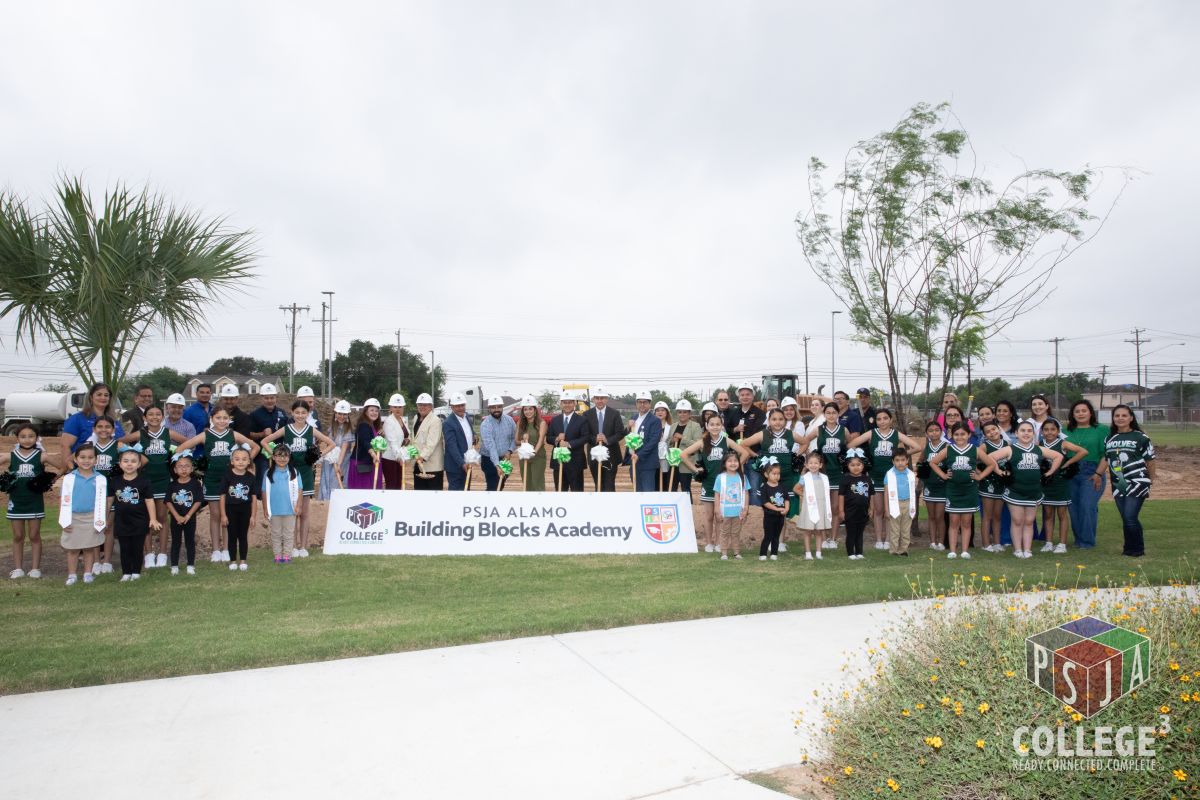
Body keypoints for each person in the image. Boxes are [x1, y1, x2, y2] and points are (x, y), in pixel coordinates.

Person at [176, 407, 259, 562]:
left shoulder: (233, 434)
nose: (222, 421)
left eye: (225, 418)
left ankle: (227, 549)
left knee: (227, 516)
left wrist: (246, 463)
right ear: (212, 419)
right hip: (212, 479)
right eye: (218, 418)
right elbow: (181, 449)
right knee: (215, 515)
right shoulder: (205, 435)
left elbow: (255, 446)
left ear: (229, 420)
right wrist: (194, 467)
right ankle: (215, 550)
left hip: (232, 480)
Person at [259, 402, 333, 557]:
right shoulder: (286, 429)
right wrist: (277, 455)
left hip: (305, 472)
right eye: (297, 412)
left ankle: (303, 547)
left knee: (304, 513)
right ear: (292, 413)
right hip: (289, 474)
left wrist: (318, 455)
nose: (300, 415)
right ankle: (291, 546)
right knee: (291, 512)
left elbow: (331, 443)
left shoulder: (311, 430)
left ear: (308, 413)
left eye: (303, 412)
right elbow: (264, 441)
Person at [982, 421, 1063, 559]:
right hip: (1015, 491)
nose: (1026, 433)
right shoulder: (1011, 449)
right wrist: (1001, 472)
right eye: (1023, 430)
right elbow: (989, 458)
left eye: (1029, 431)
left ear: (1033, 433)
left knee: (1029, 521)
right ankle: (1018, 549)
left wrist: (1048, 473)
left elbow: (1058, 456)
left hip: (1033, 491)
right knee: (1017, 520)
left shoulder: (1039, 449)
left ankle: (1028, 549)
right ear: (1016, 433)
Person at [119, 405, 187, 569]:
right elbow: (119, 442)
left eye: (158, 414)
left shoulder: (168, 433)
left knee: (163, 517)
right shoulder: (139, 434)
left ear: (162, 417)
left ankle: (163, 553)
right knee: (146, 519)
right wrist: (134, 454)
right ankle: (149, 554)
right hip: (144, 481)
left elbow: (187, 443)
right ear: (144, 417)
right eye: (151, 414)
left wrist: (176, 454)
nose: (154, 417)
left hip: (164, 479)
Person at [847, 409, 920, 552]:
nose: (882, 421)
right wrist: (862, 458)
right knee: (878, 510)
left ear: (890, 419)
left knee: (891, 509)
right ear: (876, 421)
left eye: (885, 418)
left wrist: (900, 457)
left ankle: (888, 540)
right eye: (879, 419)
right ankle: (879, 540)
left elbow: (917, 447)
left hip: (892, 478)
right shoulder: (871, 433)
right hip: (875, 476)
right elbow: (850, 445)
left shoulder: (896, 434)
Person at [680, 415, 750, 553]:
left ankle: (719, 543)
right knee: (709, 516)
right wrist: (696, 470)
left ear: (722, 426)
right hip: (708, 483)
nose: (715, 427)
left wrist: (734, 467)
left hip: (724, 486)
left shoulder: (726, 441)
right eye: (712, 424)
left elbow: (744, 453)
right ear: (707, 426)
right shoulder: (702, 442)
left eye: (718, 424)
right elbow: (683, 455)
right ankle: (709, 543)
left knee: (720, 516)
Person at [929, 422, 993, 560]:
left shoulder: (975, 450)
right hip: (953, 490)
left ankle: (964, 550)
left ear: (969, 435)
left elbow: (991, 464)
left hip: (969, 490)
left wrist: (979, 476)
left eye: (963, 434)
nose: (960, 437)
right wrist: (944, 475)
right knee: (953, 522)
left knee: (966, 522)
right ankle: (952, 550)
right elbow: (933, 462)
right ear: (952, 435)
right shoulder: (948, 449)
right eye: (956, 434)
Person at [1104, 404, 1155, 558]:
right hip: (1119, 483)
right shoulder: (1110, 438)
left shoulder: (1141, 437)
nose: (1120, 418)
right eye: (1117, 415)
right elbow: (1106, 459)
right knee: (1126, 518)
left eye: (1124, 415)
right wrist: (1096, 474)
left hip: (1138, 481)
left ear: (1131, 418)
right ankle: (1128, 549)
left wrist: (1151, 480)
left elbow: (1150, 461)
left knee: (1130, 517)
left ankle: (1138, 549)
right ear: (1113, 418)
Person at [797, 402, 847, 550]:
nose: (831, 415)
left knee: (835, 507)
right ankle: (824, 539)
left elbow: (850, 445)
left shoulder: (844, 431)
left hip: (838, 473)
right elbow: (804, 441)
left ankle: (833, 538)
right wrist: (803, 455)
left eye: (834, 412)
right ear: (824, 414)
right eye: (828, 413)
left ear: (838, 414)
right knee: (823, 506)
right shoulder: (819, 430)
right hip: (822, 473)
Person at [3, 424, 50, 580]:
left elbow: (64, 466)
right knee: (17, 535)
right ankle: (18, 568)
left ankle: (35, 568)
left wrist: (49, 480)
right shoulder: (11, 455)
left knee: (34, 535)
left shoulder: (42, 455)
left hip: (34, 501)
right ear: (17, 438)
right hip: (16, 501)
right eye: (23, 436)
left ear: (36, 438)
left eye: (31, 436)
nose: (27, 439)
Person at [57, 442, 106, 585]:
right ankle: (72, 575)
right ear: (76, 459)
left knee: (89, 548)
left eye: (90, 457)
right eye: (82, 457)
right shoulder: (69, 479)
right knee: (72, 549)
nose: (86, 460)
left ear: (96, 460)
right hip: (73, 517)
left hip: (92, 517)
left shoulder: (100, 479)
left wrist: (101, 520)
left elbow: (102, 502)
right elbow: (63, 500)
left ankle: (87, 573)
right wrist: (64, 520)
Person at [1037, 417, 1087, 554]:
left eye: (1053, 429)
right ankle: (1048, 542)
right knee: (1047, 513)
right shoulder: (1039, 444)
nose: (1049, 432)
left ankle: (1062, 544)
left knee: (1062, 514)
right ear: (1042, 432)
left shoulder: (1063, 444)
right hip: (1046, 483)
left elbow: (1083, 451)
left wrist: (1068, 463)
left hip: (1061, 483)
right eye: (1046, 430)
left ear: (1058, 431)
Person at [110, 446, 160, 581]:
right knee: (124, 548)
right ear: (120, 464)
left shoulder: (144, 481)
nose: (129, 464)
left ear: (139, 464)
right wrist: (103, 518)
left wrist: (153, 519)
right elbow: (108, 501)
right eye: (126, 461)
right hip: (121, 521)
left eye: (133, 461)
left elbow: (150, 501)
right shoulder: (115, 482)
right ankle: (126, 573)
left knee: (137, 548)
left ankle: (136, 572)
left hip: (140, 520)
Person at [741, 409, 800, 524]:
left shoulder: (790, 433)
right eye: (774, 419)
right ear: (769, 421)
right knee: (769, 504)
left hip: (786, 474)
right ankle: (770, 534)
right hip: (769, 477)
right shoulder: (763, 433)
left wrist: (796, 455)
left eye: (780, 419)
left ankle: (781, 539)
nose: (777, 422)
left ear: (785, 420)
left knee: (784, 504)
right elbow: (744, 444)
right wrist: (756, 456)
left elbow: (805, 441)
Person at [1064, 399, 1107, 549]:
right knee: (1073, 507)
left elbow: (1106, 454)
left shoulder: (1101, 430)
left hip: (1092, 471)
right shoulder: (1065, 431)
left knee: (1087, 505)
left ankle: (1087, 542)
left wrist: (1098, 474)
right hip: (1071, 472)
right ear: (1072, 414)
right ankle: (1079, 539)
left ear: (1090, 412)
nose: (1080, 414)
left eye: (1084, 411)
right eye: (1077, 411)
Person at [60, 382, 127, 466]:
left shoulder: (114, 421)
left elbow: (121, 442)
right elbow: (65, 446)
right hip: (84, 470)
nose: (103, 398)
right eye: (99, 394)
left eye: (106, 395)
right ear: (91, 397)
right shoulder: (77, 419)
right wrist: (69, 469)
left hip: (111, 470)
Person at [88, 416, 120, 573]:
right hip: (93, 493)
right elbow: (72, 461)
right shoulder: (89, 447)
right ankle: (95, 561)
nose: (103, 429)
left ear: (113, 430)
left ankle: (107, 561)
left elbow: (136, 460)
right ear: (94, 429)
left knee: (108, 527)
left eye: (108, 426)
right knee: (95, 526)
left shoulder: (119, 446)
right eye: (99, 426)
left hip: (111, 492)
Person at [261, 444, 301, 564]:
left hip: (290, 509)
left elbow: (300, 490)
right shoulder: (268, 473)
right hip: (274, 510)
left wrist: (299, 505)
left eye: (285, 456)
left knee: (289, 533)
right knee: (276, 534)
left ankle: (287, 555)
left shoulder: (294, 473)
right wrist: (265, 508)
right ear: (273, 457)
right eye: (279, 456)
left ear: (289, 457)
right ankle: (278, 555)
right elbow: (263, 491)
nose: (282, 459)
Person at [218, 445, 256, 571]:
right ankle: (233, 560)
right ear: (232, 461)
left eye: (244, 459)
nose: (241, 462)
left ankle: (243, 561)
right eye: (237, 459)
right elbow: (222, 496)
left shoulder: (251, 477)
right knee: (232, 535)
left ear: (249, 461)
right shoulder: (227, 476)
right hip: (230, 510)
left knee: (243, 535)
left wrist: (253, 516)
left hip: (245, 510)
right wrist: (223, 515)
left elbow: (254, 498)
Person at [166, 450, 202, 575]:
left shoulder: (195, 484)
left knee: (190, 541)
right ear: (175, 470)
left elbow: (198, 501)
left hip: (190, 518)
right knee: (176, 541)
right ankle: (174, 566)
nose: (183, 469)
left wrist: (188, 515)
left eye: (187, 466)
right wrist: (176, 516)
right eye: (180, 466)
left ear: (192, 468)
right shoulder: (172, 485)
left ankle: (190, 565)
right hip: (176, 518)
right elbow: (168, 502)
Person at [729, 384, 764, 505]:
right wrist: (735, 430)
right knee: (737, 486)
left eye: (748, 394)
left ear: (753, 396)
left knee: (754, 487)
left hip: (753, 455)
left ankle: (754, 513)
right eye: (742, 395)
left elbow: (759, 433)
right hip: (736, 458)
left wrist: (748, 450)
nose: (745, 397)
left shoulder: (759, 413)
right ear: (738, 397)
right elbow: (727, 432)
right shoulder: (733, 413)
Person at [584, 386, 624, 492]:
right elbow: (585, 434)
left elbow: (620, 433)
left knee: (609, 484)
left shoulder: (615, 414)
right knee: (598, 484)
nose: (600, 401)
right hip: (594, 455)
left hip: (611, 455)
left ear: (606, 399)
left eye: (602, 398)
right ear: (593, 399)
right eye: (597, 398)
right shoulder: (587, 414)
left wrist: (607, 440)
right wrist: (594, 438)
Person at [794, 451, 832, 560]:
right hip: (810, 507)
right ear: (806, 465)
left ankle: (819, 552)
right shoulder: (805, 478)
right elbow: (796, 488)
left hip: (820, 507)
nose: (813, 465)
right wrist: (804, 495)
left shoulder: (824, 478)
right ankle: (808, 553)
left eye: (816, 463)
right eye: (810, 463)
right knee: (808, 531)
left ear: (820, 465)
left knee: (819, 531)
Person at [547, 392, 588, 492]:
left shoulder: (582, 420)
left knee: (577, 491)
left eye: (570, 402)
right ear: (561, 404)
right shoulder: (555, 420)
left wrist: (568, 444)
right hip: (559, 462)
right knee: (560, 490)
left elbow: (585, 437)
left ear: (574, 404)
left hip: (575, 462)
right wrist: (556, 439)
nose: (567, 405)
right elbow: (548, 438)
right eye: (565, 402)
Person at [977, 421, 1008, 552]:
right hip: (988, 484)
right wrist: (981, 475)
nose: (992, 432)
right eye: (988, 431)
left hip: (1001, 484)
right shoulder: (984, 447)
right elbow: (972, 461)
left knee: (997, 515)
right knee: (987, 515)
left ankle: (996, 542)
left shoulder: (1007, 445)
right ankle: (986, 544)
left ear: (999, 429)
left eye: (994, 429)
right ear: (985, 435)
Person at [918, 421, 949, 552]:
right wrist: (922, 475)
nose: (934, 432)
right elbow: (920, 462)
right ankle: (932, 542)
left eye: (937, 430)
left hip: (943, 486)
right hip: (929, 485)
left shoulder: (947, 446)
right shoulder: (927, 447)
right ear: (926, 433)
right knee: (931, 516)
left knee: (939, 516)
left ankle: (941, 542)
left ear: (941, 432)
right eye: (931, 430)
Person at [248, 383, 290, 477]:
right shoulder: (255, 414)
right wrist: (262, 434)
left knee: (280, 476)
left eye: (272, 398)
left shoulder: (281, 413)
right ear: (261, 398)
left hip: (280, 453)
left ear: (276, 398)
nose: (269, 400)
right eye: (266, 398)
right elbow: (249, 434)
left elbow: (287, 430)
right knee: (264, 478)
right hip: (262, 455)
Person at [712, 451, 747, 560]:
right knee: (724, 533)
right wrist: (717, 510)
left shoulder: (742, 477)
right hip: (724, 512)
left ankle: (736, 552)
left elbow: (746, 493)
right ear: (724, 464)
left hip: (738, 511)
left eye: (735, 461)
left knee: (736, 533)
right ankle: (724, 553)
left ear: (739, 463)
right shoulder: (720, 477)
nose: (733, 463)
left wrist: (746, 509)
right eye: (730, 461)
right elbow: (717, 494)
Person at [625, 391, 662, 492]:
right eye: (639, 402)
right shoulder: (633, 418)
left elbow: (653, 441)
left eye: (645, 402)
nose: (642, 405)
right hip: (634, 462)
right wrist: (628, 427)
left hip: (647, 463)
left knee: (647, 493)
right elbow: (628, 437)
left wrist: (639, 455)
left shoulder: (655, 420)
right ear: (636, 404)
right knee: (637, 491)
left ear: (650, 404)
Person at [883, 448, 917, 557]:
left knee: (906, 529)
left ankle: (903, 549)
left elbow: (913, 492)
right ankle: (893, 550)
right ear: (893, 461)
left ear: (907, 460)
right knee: (895, 530)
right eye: (897, 460)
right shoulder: (889, 474)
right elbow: (886, 493)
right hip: (894, 504)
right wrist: (886, 509)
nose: (900, 463)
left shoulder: (911, 475)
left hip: (907, 503)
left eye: (903, 460)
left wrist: (913, 507)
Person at [839, 451, 873, 560]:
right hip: (850, 511)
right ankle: (850, 553)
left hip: (863, 511)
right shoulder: (845, 479)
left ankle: (859, 552)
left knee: (860, 532)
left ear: (863, 465)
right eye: (852, 465)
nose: (856, 467)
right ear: (847, 466)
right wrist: (841, 511)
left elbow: (872, 495)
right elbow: (841, 496)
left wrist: (871, 508)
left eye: (858, 465)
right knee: (851, 532)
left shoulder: (867, 479)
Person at [319, 400, 355, 499]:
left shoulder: (348, 430)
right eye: (339, 413)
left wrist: (339, 464)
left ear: (348, 415)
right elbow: (328, 444)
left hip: (342, 460)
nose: (342, 417)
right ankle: (326, 503)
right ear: (335, 413)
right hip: (330, 459)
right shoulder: (331, 428)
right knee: (327, 481)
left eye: (344, 414)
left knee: (336, 482)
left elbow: (344, 448)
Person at [479, 396, 516, 491]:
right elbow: (491, 447)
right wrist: (497, 465)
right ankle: (488, 504)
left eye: (499, 407)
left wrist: (510, 451)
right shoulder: (485, 425)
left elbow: (514, 438)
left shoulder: (510, 420)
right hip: (489, 460)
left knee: (501, 484)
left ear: (502, 407)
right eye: (493, 407)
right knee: (493, 487)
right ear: (489, 409)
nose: (496, 410)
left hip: (505, 458)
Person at [410, 393, 445, 490]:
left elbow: (431, 443)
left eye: (425, 405)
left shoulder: (435, 421)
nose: (422, 407)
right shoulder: (416, 418)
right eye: (420, 405)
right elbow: (414, 438)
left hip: (432, 466)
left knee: (433, 495)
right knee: (420, 494)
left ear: (431, 406)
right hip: (418, 464)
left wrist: (421, 457)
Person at [443, 393, 477, 491]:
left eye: (462, 405)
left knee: (466, 491)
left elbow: (468, 431)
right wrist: (462, 463)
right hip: (455, 466)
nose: (461, 408)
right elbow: (451, 446)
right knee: (456, 494)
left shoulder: (466, 417)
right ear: (452, 407)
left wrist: (474, 434)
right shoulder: (448, 423)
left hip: (467, 463)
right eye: (457, 406)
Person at [347, 399, 384, 489]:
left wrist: (380, 435)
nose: (374, 413)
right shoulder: (364, 425)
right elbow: (365, 441)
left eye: (376, 411)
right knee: (363, 492)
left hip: (371, 463)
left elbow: (374, 441)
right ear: (366, 411)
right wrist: (373, 455)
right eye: (371, 410)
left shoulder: (372, 425)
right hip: (363, 463)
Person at [669, 400, 702, 495]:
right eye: (680, 412)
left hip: (686, 464)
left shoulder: (695, 426)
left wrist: (682, 438)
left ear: (689, 413)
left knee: (685, 489)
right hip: (673, 463)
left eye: (685, 412)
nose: (682, 414)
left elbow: (698, 444)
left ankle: (688, 508)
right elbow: (669, 443)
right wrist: (672, 441)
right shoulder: (673, 426)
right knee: (672, 489)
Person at [381, 394, 413, 491]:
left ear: (403, 407)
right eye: (395, 407)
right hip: (390, 459)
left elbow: (406, 435)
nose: (398, 409)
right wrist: (399, 457)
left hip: (399, 458)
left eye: (400, 407)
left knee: (398, 485)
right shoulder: (389, 422)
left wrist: (407, 440)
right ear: (390, 408)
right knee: (392, 486)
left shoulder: (402, 420)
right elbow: (393, 442)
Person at [515, 397, 547, 491]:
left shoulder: (542, 423)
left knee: (537, 483)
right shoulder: (520, 423)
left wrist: (533, 453)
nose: (528, 411)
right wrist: (523, 441)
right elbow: (516, 441)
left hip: (537, 457)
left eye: (530, 409)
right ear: (523, 411)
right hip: (524, 457)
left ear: (535, 410)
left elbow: (540, 441)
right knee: (526, 483)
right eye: (525, 409)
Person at [759, 463, 788, 561]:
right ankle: (763, 554)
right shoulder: (764, 487)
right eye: (774, 474)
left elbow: (787, 499)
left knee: (776, 536)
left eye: (778, 474)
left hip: (780, 517)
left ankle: (774, 553)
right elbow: (765, 502)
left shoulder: (782, 486)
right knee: (768, 535)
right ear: (766, 475)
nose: (776, 476)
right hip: (769, 516)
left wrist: (786, 509)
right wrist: (776, 509)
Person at [183, 383, 215, 456]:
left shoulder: (215, 410)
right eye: (202, 392)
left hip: (214, 452)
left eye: (207, 392)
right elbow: (184, 434)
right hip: (196, 453)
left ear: (210, 394)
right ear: (196, 394)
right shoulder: (189, 411)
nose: (205, 395)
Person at [653, 401, 673, 491]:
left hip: (666, 458)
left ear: (667, 412)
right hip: (653, 457)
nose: (660, 412)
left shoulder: (671, 427)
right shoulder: (651, 426)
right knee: (655, 481)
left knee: (665, 480)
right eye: (657, 410)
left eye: (662, 410)